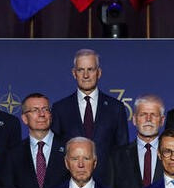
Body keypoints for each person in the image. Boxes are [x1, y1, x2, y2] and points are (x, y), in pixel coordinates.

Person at [50, 49, 129, 177]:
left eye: (90, 69)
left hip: (107, 184)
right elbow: (56, 152)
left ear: (99, 72)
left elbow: (122, 152)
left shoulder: (116, 108)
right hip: (70, 184)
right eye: (81, 70)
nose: (86, 75)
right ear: (74, 73)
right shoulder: (61, 108)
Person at [105, 94, 166, 188]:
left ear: (162, 120)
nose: (148, 119)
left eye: (153, 115)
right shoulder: (116, 156)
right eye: (143, 114)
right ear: (134, 120)